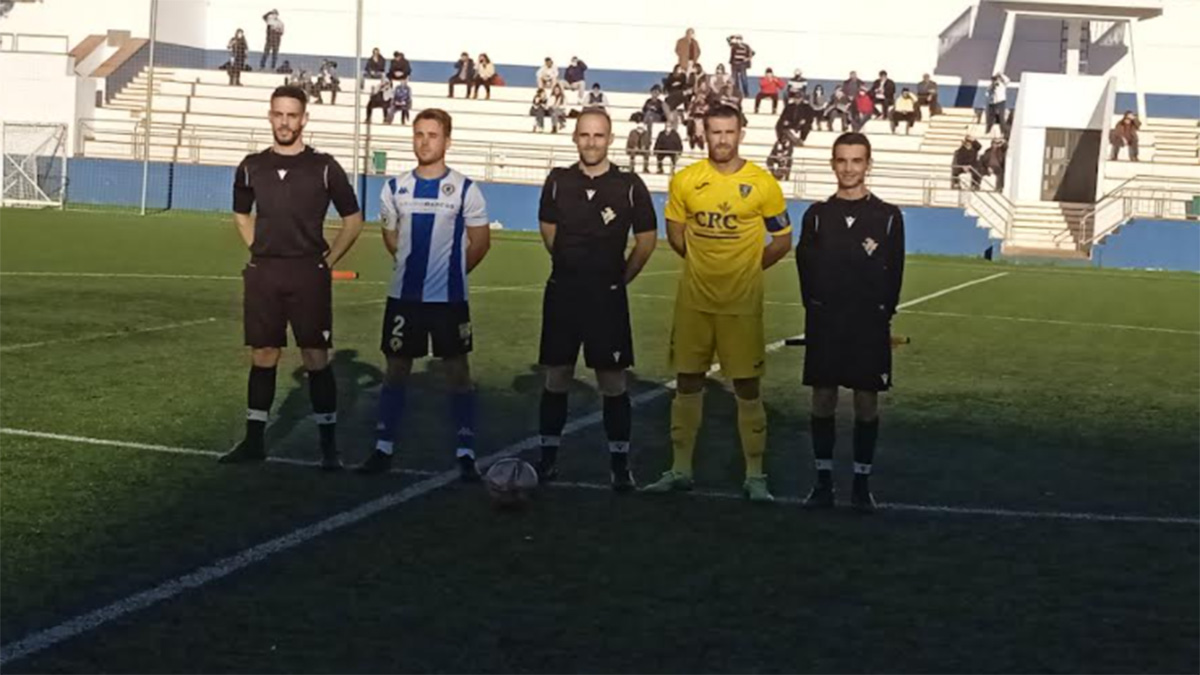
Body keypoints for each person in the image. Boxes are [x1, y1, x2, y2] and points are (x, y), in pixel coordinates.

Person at [642, 105, 793, 502]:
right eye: (715, 132)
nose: (722, 139)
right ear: (703, 133)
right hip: (694, 302)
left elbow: (781, 240)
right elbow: (675, 233)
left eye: (729, 131)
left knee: (746, 387)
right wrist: (701, 266)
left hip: (741, 306)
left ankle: (755, 476)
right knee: (688, 382)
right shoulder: (686, 180)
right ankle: (680, 470)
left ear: (741, 132)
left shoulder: (763, 184)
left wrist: (747, 268)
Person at [219, 85, 365, 469]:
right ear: (270, 116)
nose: (285, 122)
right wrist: (258, 248)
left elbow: (354, 220)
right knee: (264, 353)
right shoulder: (251, 165)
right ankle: (254, 443)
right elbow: (241, 213)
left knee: (316, 357)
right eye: (278, 114)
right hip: (264, 273)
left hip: (309, 274)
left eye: (292, 115)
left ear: (304, 119)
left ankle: (328, 449)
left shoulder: (324, 166)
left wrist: (327, 260)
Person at [356, 109, 492, 480]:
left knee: (458, 372)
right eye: (419, 134)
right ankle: (383, 447)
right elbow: (391, 237)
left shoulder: (465, 189)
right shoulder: (394, 188)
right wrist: (411, 264)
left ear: (447, 140)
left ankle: (465, 450)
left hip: (449, 301)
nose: (425, 141)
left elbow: (480, 243)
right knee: (396, 369)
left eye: (432, 135)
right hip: (404, 299)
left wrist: (452, 274)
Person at [534, 109, 658, 491]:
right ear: (574, 137)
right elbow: (549, 230)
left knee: (613, 381)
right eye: (584, 135)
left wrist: (619, 278)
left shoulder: (629, 184)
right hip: (563, 294)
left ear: (610, 138)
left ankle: (620, 466)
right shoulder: (558, 181)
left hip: (606, 299)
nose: (591, 142)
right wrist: (572, 266)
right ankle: (548, 460)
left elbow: (647, 240)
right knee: (557, 377)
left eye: (598, 135)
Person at [796, 132, 904, 514]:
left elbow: (895, 273)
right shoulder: (817, 215)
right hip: (826, 323)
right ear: (833, 164)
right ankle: (822, 482)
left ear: (868, 164)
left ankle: (861, 485)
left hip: (868, 326)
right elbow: (804, 268)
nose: (848, 168)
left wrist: (882, 315)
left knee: (866, 404)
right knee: (823, 399)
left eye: (856, 161)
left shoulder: (889, 216)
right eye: (842, 160)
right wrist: (816, 309)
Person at [727, 34, 755, 101]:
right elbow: (728, 39)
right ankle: (737, 93)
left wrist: (747, 58)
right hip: (734, 64)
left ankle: (746, 93)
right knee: (735, 79)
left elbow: (753, 53)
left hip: (742, 64)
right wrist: (732, 36)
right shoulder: (734, 46)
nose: (738, 41)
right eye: (737, 39)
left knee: (743, 79)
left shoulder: (746, 46)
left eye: (739, 39)